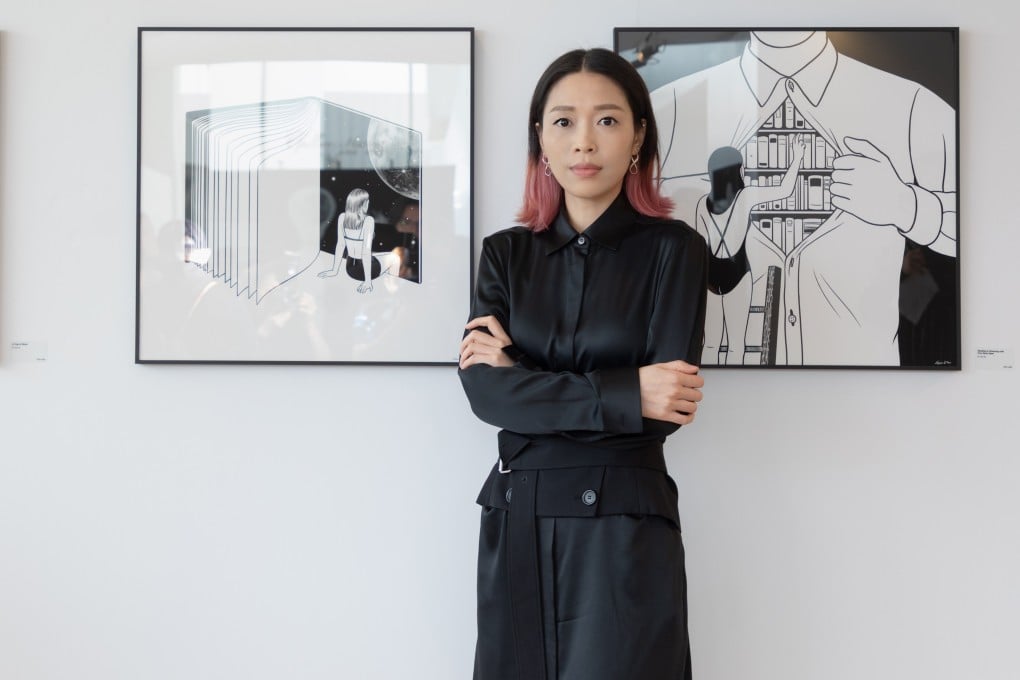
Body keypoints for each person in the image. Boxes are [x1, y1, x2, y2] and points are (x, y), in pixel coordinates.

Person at [458, 48, 708, 680]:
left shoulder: (674, 250)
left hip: (623, 525)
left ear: (638, 136)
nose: (584, 141)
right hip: (519, 516)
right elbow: (487, 397)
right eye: (563, 121)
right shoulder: (504, 254)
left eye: (607, 120)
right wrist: (624, 392)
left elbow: (665, 411)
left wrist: (524, 378)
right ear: (541, 139)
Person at [652, 30, 956, 365]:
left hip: (868, 392)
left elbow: (990, 231)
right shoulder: (669, 112)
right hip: (715, 390)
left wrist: (906, 206)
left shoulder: (909, 107)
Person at [317, 188, 400, 293]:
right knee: (395, 258)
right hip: (364, 270)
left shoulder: (342, 217)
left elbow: (340, 245)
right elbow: (365, 252)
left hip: (349, 268)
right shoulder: (368, 221)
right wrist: (368, 281)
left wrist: (334, 270)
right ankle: (393, 290)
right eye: (366, 202)